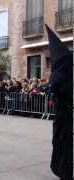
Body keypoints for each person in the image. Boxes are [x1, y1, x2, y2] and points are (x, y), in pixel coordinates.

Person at [46, 25, 73, 180]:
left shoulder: (58, 74)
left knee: (63, 145)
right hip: (63, 116)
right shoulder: (61, 74)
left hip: (64, 117)